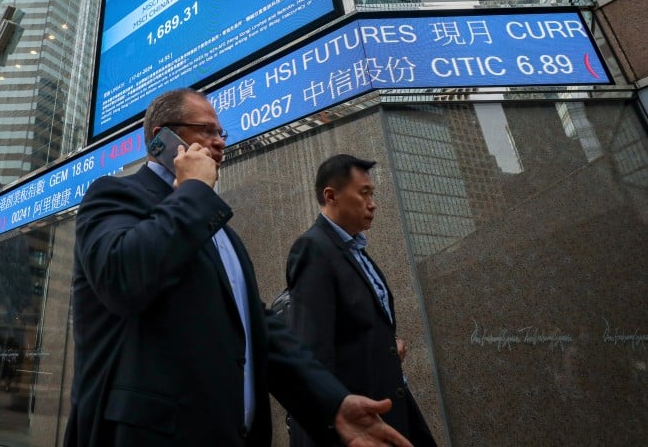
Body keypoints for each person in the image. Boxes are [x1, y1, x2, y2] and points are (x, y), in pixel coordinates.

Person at [65, 88, 410, 447]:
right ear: (160, 138)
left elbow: (255, 326)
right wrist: (195, 188)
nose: (219, 143)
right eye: (206, 130)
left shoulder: (218, 228)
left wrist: (332, 402)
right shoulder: (113, 196)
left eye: (221, 134)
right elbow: (121, 279)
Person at [285, 155, 437, 446]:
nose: (373, 203)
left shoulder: (356, 251)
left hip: (390, 406)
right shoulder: (313, 249)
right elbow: (314, 348)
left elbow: (356, 331)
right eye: (363, 193)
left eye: (373, 193)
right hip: (358, 421)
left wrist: (386, 349)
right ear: (331, 196)